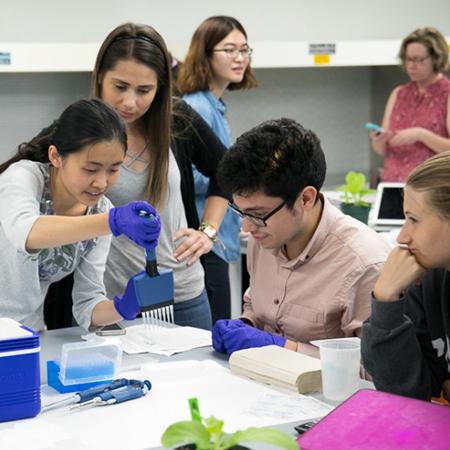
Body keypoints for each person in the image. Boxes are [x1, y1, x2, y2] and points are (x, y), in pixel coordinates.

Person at [90, 23, 230, 330]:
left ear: (160, 87)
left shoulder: (177, 120)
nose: (130, 102)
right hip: (113, 303)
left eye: (144, 91)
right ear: (100, 76)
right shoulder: (78, 130)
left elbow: (228, 170)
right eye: (120, 86)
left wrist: (207, 231)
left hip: (184, 296)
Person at [212, 118, 391, 357]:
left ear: (306, 199)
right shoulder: (264, 237)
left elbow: (374, 372)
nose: (247, 228)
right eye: (241, 212)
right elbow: (256, 307)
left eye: (258, 215)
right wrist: (245, 325)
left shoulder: (364, 263)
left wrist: (283, 347)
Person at [0, 99, 161, 332]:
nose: (102, 182)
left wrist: (125, 306)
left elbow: (87, 303)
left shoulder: (101, 211)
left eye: (114, 169)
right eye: (90, 169)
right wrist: (112, 222)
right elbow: (26, 233)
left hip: (26, 333)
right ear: (55, 157)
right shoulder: (23, 177)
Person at [178, 16, 257, 321]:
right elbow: (188, 175)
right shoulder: (196, 107)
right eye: (229, 50)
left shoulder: (214, 104)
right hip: (203, 236)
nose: (240, 58)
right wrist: (237, 178)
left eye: (244, 49)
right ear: (205, 55)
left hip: (214, 237)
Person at [361, 151, 450, 403]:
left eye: (413, 220)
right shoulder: (430, 278)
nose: (402, 237)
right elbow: (406, 392)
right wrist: (385, 298)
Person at [369, 27, 450, 182]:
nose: (412, 65)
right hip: (392, 184)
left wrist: (421, 134)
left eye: (419, 60)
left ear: (436, 59)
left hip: (430, 189)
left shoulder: (447, 94)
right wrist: (378, 139)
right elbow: (382, 150)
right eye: (408, 59)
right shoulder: (398, 93)